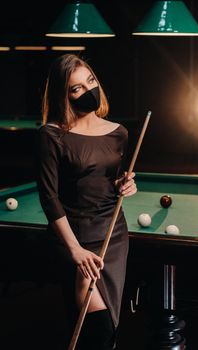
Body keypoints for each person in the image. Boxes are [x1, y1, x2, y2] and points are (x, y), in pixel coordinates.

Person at [36, 53, 137, 350]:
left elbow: (114, 180)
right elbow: (49, 196)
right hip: (77, 237)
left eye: (90, 81)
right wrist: (75, 250)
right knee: (98, 331)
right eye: (76, 88)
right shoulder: (51, 135)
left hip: (113, 234)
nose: (88, 90)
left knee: (109, 330)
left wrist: (125, 184)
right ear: (63, 95)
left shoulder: (119, 133)